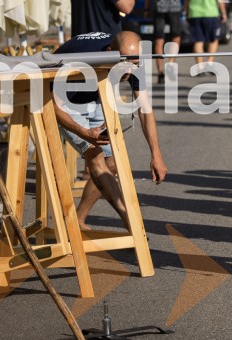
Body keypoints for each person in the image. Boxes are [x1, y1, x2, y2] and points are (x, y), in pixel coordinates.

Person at [53, 31, 168, 230]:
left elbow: (145, 109)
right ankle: (131, 222)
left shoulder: (132, 60)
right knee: (96, 158)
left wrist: (156, 154)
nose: (130, 70)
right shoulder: (79, 61)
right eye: (125, 64)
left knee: (112, 163)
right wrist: (84, 132)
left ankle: (77, 219)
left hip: (93, 95)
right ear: (109, 53)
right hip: (62, 101)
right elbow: (53, 107)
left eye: (135, 64)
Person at [184, 0, 227, 67]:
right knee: (213, 40)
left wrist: (186, 12)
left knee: (198, 41)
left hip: (195, 13)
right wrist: (223, 12)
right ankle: (209, 63)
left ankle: (199, 65)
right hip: (211, 13)